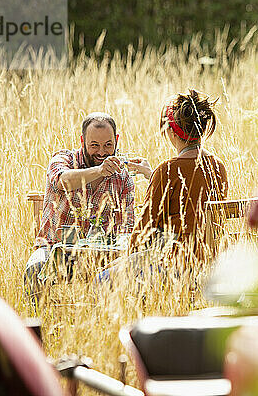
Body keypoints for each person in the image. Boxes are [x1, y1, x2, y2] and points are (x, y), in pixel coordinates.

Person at [97, 90, 227, 284]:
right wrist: (152, 175)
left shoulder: (167, 171)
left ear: (171, 132)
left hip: (171, 264)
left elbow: (143, 230)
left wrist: (120, 260)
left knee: (101, 280)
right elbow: (192, 202)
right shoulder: (218, 166)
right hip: (209, 264)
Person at [25, 112, 135, 297]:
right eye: (94, 145)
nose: (102, 152)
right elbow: (62, 181)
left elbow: (127, 228)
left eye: (108, 145)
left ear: (116, 140)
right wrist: (99, 171)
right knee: (34, 269)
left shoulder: (122, 177)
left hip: (101, 257)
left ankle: (106, 324)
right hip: (55, 250)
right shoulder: (63, 160)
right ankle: (36, 322)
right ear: (82, 141)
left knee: (130, 273)